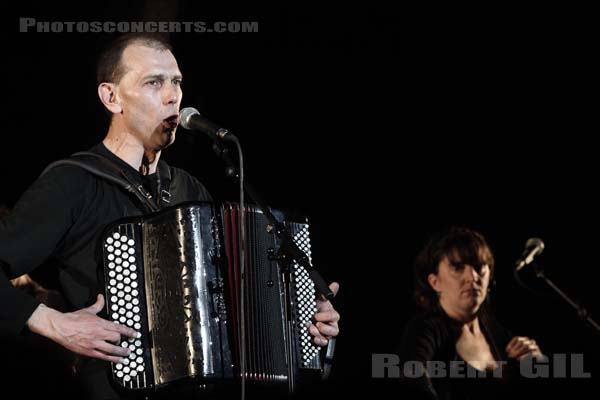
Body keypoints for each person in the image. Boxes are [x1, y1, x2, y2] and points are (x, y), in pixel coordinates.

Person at [0, 33, 340, 399]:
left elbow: (235, 302)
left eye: (176, 81)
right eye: (154, 82)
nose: (172, 95)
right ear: (111, 97)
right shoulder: (72, 182)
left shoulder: (189, 191)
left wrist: (299, 320)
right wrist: (53, 323)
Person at [397, 227, 543, 400]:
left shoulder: (497, 332)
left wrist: (537, 362)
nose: (472, 276)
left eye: (479, 266)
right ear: (435, 282)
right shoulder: (425, 329)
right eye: (458, 267)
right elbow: (412, 380)